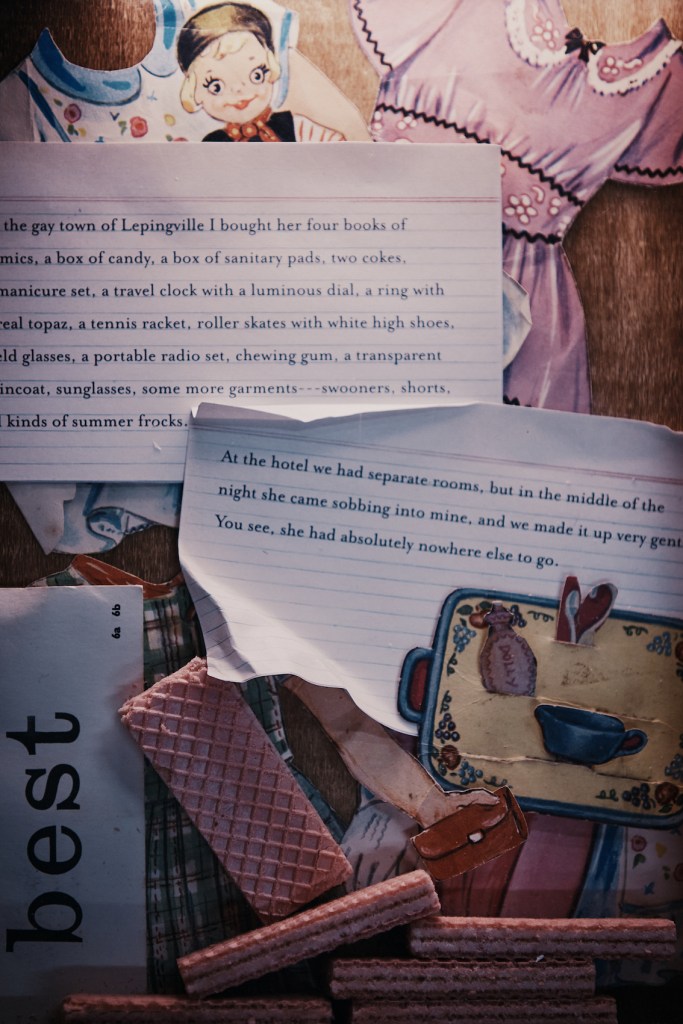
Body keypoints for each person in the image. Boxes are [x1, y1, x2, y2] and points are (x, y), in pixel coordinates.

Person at [178, 2, 344, 141]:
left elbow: (338, 147)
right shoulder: (213, 143)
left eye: (256, 75)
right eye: (216, 87)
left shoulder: (293, 126)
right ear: (194, 91)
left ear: (271, 67)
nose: (239, 91)